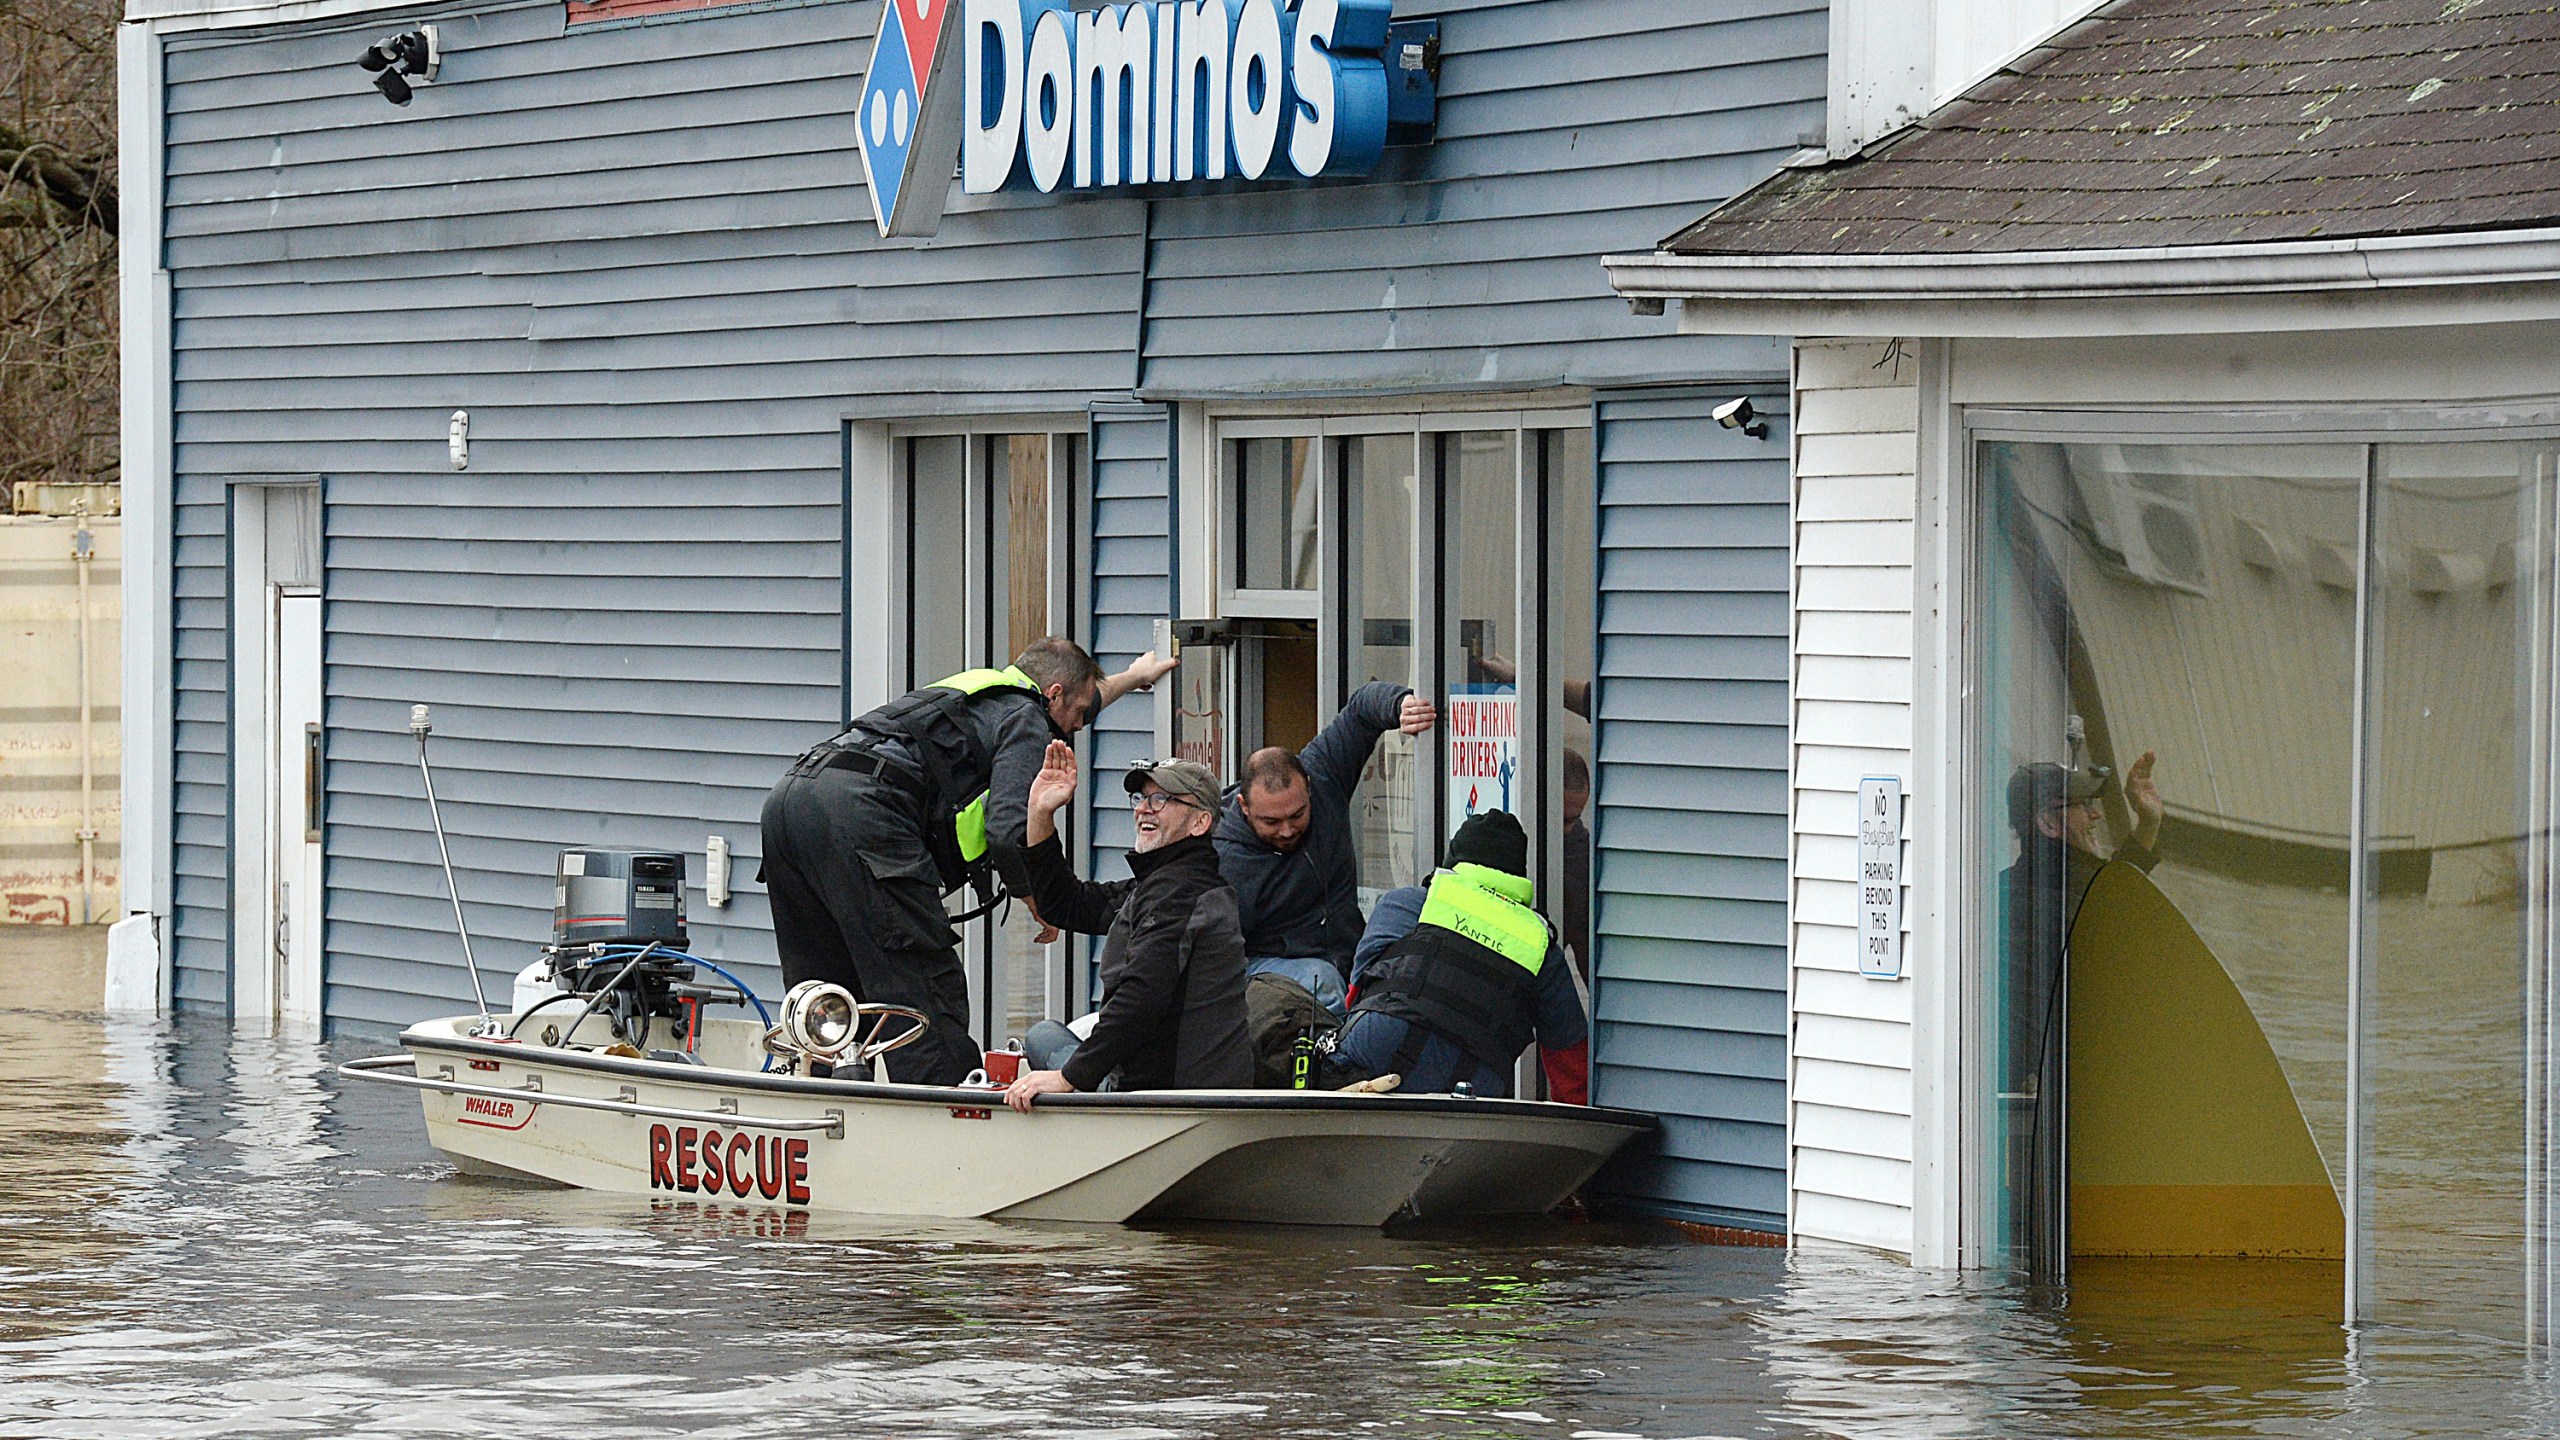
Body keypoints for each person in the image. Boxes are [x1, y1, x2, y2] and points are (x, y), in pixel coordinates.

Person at [759, 638, 1175, 1086]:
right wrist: (1035, 896)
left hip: (791, 799)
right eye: (1077, 718)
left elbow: (1076, 694)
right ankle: (948, 1130)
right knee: (920, 999)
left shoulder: (982, 692)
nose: (1073, 731)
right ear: (1053, 695)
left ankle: (819, 1105)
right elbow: (1006, 826)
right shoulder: (1028, 720)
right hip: (865, 817)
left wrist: (1133, 678)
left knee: (822, 997)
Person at [1005, 747, 1252, 1110]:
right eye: (1141, 798)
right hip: (1181, 1087)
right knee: (1046, 1036)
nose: (1143, 809)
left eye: (1161, 799)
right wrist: (1040, 812)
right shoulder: (1166, 886)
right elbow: (1065, 905)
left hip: (1167, 1097)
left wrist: (1070, 1077)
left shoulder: (1179, 894)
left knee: (1043, 1037)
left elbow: (1143, 995)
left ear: (1200, 823)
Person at [1328, 810, 1588, 1101]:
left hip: (1375, 1050)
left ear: (1452, 866)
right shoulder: (1541, 946)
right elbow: (1571, 1066)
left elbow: (1356, 996)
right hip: (1473, 1083)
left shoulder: (1404, 904)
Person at [1213, 681, 1436, 1013]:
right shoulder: (1226, 858)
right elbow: (1215, 958)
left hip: (1347, 951)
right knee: (1322, 982)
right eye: (1271, 822)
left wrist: (1400, 705)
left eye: (1297, 814)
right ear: (1244, 806)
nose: (1287, 830)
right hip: (1266, 971)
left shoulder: (1324, 775)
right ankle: (1338, 1061)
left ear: (1308, 787)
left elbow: (1360, 711)